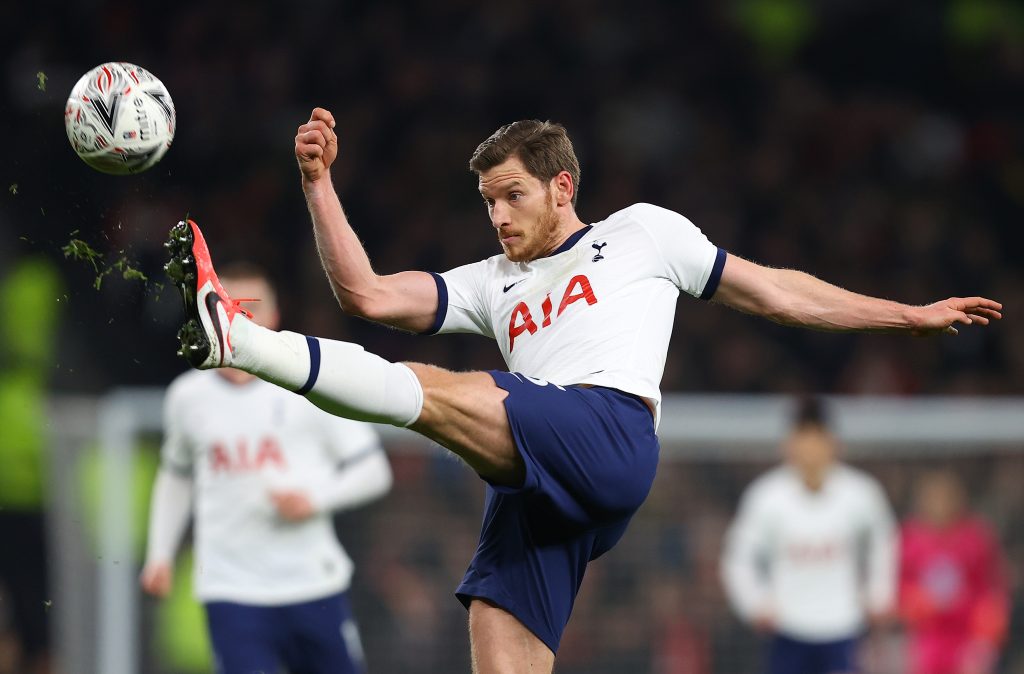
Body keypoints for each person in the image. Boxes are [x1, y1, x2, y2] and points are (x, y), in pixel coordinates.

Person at [163, 107, 1001, 673]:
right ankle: (240, 337)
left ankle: (240, 340)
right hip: (539, 475)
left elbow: (778, 291)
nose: (498, 216)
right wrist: (318, 185)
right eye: (487, 201)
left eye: (512, 196)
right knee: (497, 636)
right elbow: (368, 296)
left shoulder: (644, 234)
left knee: (432, 387)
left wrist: (905, 315)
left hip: (606, 430)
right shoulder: (492, 281)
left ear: (562, 186)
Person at [141, 262, 393, 674]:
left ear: (274, 316)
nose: (239, 319)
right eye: (228, 307)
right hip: (231, 589)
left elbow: (373, 470)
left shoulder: (312, 383)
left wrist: (313, 499)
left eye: (251, 309)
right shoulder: (187, 396)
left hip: (312, 583)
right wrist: (159, 554)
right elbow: (177, 474)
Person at [720, 397, 898, 674]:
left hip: (844, 626)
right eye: (804, 438)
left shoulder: (861, 494)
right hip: (787, 627)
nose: (811, 449)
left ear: (833, 443)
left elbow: (883, 543)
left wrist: (878, 595)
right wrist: (753, 603)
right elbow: (739, 556)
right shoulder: (766, 497)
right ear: (789, 444)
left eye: (818, 438)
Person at [899, 469, 1009, 674]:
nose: (940, 505)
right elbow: (901, 585)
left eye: (945, 499)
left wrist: (985, 639)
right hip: (928, 635)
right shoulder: (910, 539)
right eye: (934, 499)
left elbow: (991, 588)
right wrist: (915, 603)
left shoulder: (976, 537)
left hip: (967, 634)